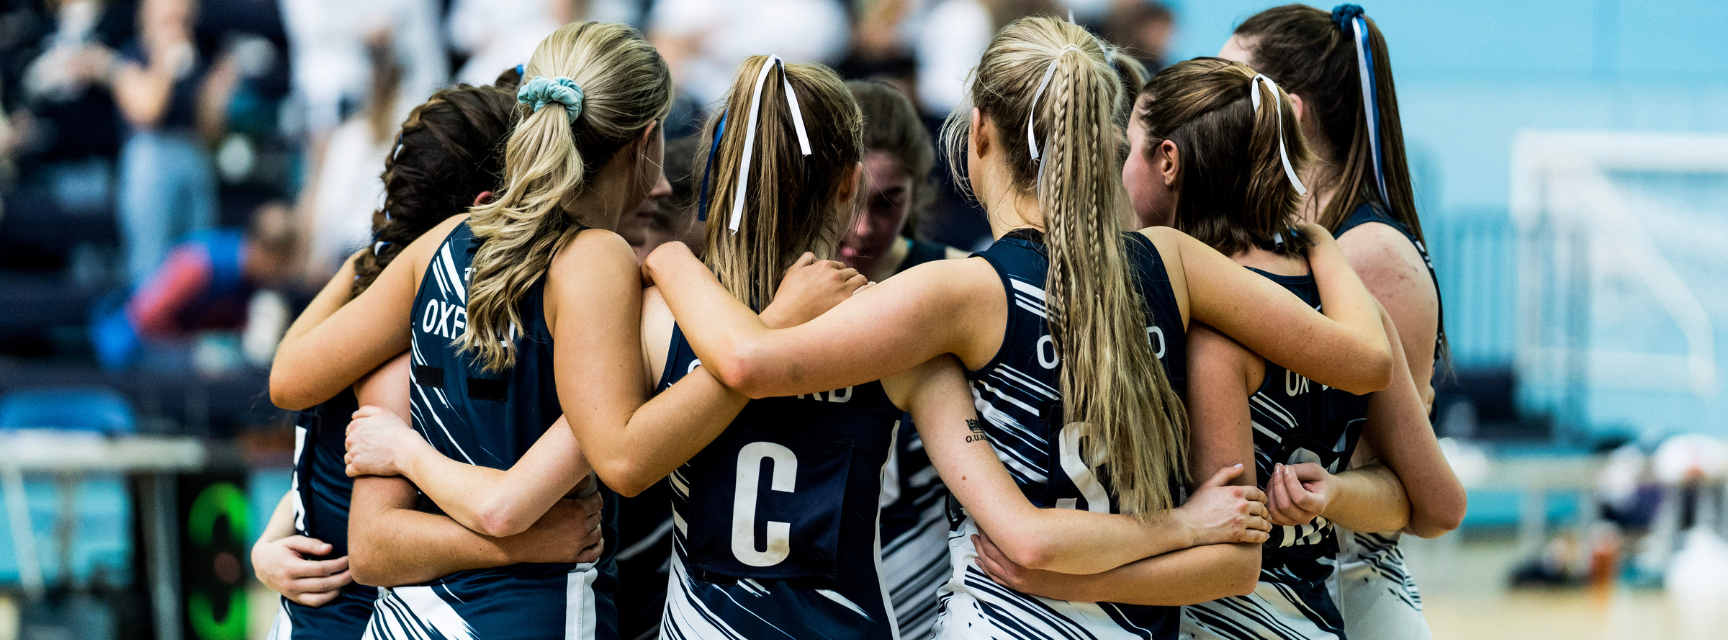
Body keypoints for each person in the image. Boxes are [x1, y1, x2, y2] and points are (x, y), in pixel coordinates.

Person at [640, 16, 1399, 639]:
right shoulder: (1176, 263)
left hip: (1002, 620)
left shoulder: (960, 290)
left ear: (979, 136)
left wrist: (670, 260)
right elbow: (1366, 360)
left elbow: (749, 360)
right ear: (1103, 142)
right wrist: (1322, 241)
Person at [269, 22, 679, 640]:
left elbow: (291, 379)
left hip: (407, 619)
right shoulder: (598, 262)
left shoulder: (444, 241)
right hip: (533, 615)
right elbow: (607, 462)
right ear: (645, 141)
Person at [1113, 57, 1461, 640]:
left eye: (1129, 149)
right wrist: (1334, 492)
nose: (1122, 170)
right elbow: (1437, 504)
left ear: (1168, 161)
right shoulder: (1353, 306)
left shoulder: (1211, 329)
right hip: (1325, 621)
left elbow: (1231, 562)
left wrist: (1064, 574)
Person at [1222, 6, 1456, 637]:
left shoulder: (1366, 253)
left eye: (1228, 85)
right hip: (1293, 585)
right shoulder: (1284, 239)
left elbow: (1411, 489)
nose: (1209, 107)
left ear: (1286, 114)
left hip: (1352, 589)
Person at [836, 78, 961, 637]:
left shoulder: (959, 282)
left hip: (935, 576)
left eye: (888, 204)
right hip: (818, 575)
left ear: (919, 191)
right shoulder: (783, 288)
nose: (864, 229)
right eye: (848, 201)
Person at [91, 201, 296, 370]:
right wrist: (198, 346)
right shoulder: (197, 264)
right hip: (133, 348)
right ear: (262, 251)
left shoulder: (254, 280)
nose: (282, 272)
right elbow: (146, 319)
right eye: (280, 262)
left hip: (182, 348)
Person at [112, 0, 218, 280]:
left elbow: (210, 127)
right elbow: (147, 111)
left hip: (193, 152)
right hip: (150, 156)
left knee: (198, 262)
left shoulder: (197, 55)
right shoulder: (132, 53)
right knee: (149, 264)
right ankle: (146, 324)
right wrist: (164, 58)